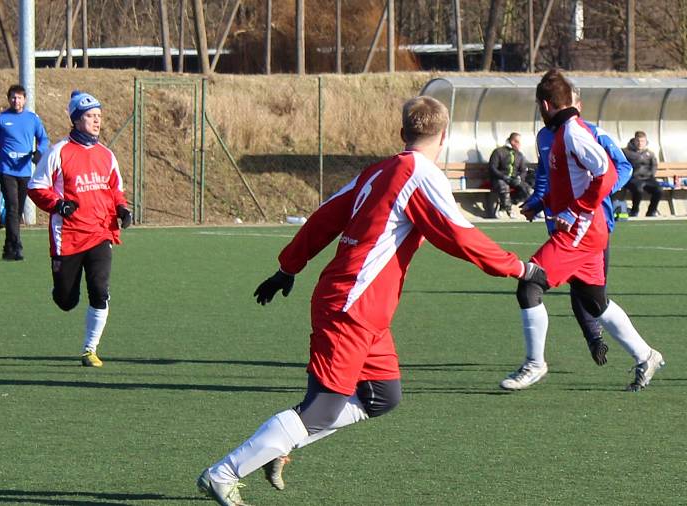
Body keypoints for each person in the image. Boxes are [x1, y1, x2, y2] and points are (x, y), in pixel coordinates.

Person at [196, 96, 545, 506]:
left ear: (402, 134)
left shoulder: (379, 170)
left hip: (363, 307)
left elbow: (325, 215)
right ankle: (224, 473)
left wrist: (289, 267)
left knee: (381, 395)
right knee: (323, 409)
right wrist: (521, 269)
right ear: (444, 136)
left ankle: (280, 444)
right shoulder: (421, 174)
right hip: (351, 305)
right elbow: (459, 236)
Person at [500, 69, 663, 393]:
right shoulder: (559, 134)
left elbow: (606, 173)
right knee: (595, 303)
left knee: (529, 285)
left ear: (545, 104)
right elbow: (570, 182)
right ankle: (647, 355)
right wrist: (541, 202)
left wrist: (576, 210)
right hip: (588, 232)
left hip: (580, 232)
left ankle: (535, 364)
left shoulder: (573, 133)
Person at [521, 85, 633, 367]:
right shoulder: (545, 136)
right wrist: (538, 201)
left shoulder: (590, 133)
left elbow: (621, 168)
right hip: (561, 223)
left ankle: (545, 360)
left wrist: (593, 198)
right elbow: (547, 176)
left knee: (586, 292)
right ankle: (607, 343)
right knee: (584, 290)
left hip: (592, 223)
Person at [27, 91, 132, 368]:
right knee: (65, 300)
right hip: (68, 237)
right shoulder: (59, 152)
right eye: (90, 116)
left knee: (100, 290)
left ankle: (90, 349)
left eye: (98, 116)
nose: (96, 121)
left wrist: (121, 209)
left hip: (100, 232)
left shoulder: (106, 155)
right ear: (75, 119)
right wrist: (58, 205)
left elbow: (115, 189)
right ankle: (61, 290)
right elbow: (36, 187)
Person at [0, 84, 50, 260]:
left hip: (25, 171)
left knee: (18, 210)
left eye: (19, 97)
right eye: (13, 97)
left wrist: (39, 153)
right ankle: (17, 246)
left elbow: (43, 139)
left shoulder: (33, 119)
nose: (16, 100)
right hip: (6, 170)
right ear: (9, 99)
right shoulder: (0, 119)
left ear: (25, 99)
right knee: (12, 207)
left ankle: (8, 248)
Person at [486, 132, 531, 218]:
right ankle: (509, 210)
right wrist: (503, 176)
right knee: (504, 186)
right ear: (513, 142)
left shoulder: (519, 155)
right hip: (499, 179)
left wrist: (519, 178)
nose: (520, 145)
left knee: (527, 190)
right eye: (518, 142)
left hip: (513, 179)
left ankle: (505, 206)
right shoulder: (498, 152)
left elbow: (523, 170)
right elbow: (492, 168)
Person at [622, 131, 662, 217]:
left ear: (646, 142)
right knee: (638, 189)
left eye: (642, 141)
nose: (640, 143)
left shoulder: (650, 153)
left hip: (648, 178)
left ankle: (651, 211)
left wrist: (651, 174)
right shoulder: (626, 152)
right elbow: (621, 165)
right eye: (638, 141)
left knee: (659, 190)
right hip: (632, 179)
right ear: (634, 141)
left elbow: (654, 165)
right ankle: (634, 210)